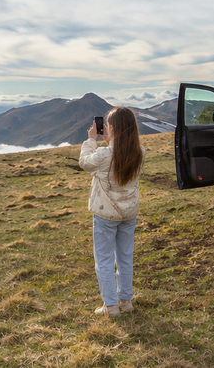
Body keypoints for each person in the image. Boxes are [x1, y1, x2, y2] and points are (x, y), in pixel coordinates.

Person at [80, 107, 145, 317]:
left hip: (105, 213)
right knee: (125, 256)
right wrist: (111, 140)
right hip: (129, 212)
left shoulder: (103, 154)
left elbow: (84, 163)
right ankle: (125, 301)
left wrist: (91, 140)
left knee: (105, 260)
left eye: (108, 124)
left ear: (113, 128)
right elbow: (119, 156)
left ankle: (110, 306)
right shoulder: (140, 152)